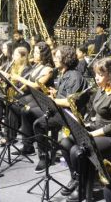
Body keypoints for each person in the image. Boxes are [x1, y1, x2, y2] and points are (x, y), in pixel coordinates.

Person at [59, 57, 111, 202]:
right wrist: (84, 122)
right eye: (96, 74)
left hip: (110, 136)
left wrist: (91, 134)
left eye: (100, 74)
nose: (96, 77)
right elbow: (95, 112)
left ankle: (84, 186)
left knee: (77, 151)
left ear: (110, 75)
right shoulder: (101, 89)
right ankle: (76, 177)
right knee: (65, 143)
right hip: (95, 129)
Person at [31, 45, 89, 173]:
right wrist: (56, 93)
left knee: (38, 125)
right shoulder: (64, 73)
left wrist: (53, 100)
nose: (55, 59)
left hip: (69, 116)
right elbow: (66, 93)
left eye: (57, 57)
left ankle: (45, 158)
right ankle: (46, 154)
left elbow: (70, 102)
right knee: (34, 117)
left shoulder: (74, 76)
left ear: (66, 58)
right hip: (60, 111)